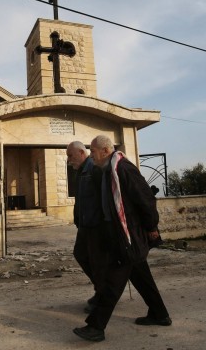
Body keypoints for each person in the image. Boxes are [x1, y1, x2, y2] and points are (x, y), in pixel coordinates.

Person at [73, 135, 171, 342]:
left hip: (129, 236)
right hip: (125, 235)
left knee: (113, 282)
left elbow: (145, 199)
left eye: (93, 151)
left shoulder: (123, 169)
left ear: (105, 151)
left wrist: (152, 227)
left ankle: (96, 327)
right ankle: (160, 314)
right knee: (141, 276)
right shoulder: (109, 171)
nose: (92, 155)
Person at [66, 141, 103, 312]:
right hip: (84, 226)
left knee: (97, 262)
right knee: (81, 254)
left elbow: (104, 200)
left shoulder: (94, 169)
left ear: (82, 153)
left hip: (95, 226)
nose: (68, 160)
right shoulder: (80, 172)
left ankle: (103, 296)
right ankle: (102, 290)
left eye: (70, 156)